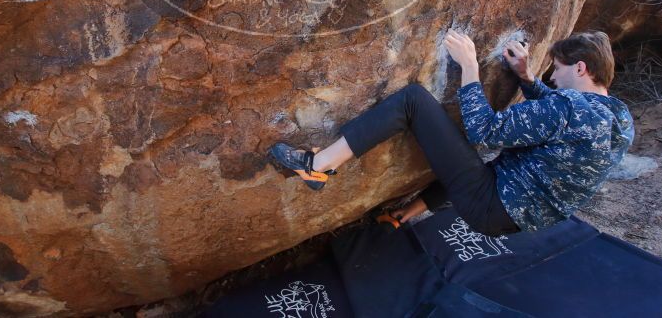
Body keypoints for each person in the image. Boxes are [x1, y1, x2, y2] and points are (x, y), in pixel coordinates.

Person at [268, 29, 635, 236]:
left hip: (492, 205)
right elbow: (563, 123)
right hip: (517, 217)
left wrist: (470, 66)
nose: (552, 77)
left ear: (581, 68)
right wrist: (527, 78)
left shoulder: (568, 107)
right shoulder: (618, 119)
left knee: (413, 100)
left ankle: (318, 166)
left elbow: (484, 131)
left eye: (557, 69)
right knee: (473, 167)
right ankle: (402, 215)